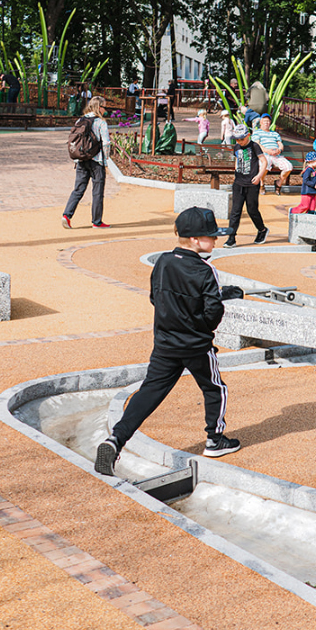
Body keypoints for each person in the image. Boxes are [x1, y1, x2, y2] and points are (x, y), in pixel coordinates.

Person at [94, 206, 241, 472]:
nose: (215, 240)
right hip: (196, 346)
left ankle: (116, 439)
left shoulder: (162, 262)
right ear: (195, 239)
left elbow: (155, 297)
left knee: (149, 392)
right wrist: (201, 326)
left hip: (165, 343)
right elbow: (213, 312)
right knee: (215, 388)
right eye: (211, 235)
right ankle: (215, 439)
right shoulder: (206, 270)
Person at [62, 96, 111, 229]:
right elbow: (106, 142)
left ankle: (66, 215)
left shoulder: (80, 120)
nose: (105, 110)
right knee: (97, 191)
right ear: (99, 107)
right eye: (104, 107)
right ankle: (97, 221)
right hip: (96, 161)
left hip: (82, 159)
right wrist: (106, 159)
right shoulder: (101, 122)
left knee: (78, 189)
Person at [223, 122, 268, 248]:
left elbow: (264, 161)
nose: (239, 141)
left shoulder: (254, 146)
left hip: (252, 183)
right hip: (238, 183)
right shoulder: (237, 147)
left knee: (252, 210)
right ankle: (231, 237)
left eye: (241, 139)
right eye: (237, 139)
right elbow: (237, 160)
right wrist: (236, 173)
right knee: (235, 211)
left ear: (248, 135)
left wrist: (259, 176)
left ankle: (262, 230)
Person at [251, 112, 293, 192]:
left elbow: (280, 144)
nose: (266, 123)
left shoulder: (275, 134)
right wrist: (267, 150)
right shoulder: (257, 133)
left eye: (268, 121)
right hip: (264, 155)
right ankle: (261, 184)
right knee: (265, 165)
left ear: (270, 122)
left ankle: (278, 183)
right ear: (261, 122)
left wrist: (279, 150)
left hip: (276, 155)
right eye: (264, 121)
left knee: (288, 167)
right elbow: (257, 144)